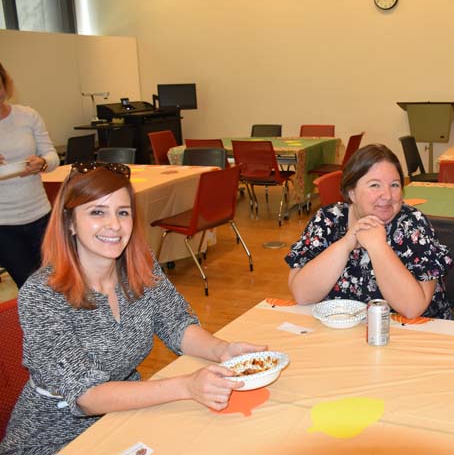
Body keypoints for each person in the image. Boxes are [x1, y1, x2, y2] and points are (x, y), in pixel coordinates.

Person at [0, 163, 266, 454]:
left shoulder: (139, 264)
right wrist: (186, 387)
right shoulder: (43, 294)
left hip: (127, 414)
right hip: (57, 437)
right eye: (97, 212)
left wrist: (222, 351)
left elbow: (175, 324)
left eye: (123, 212)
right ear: (70, 222)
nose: (114, 224)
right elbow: (86, 395)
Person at [285, 144, 453, 319]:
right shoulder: (328, 220)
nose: (387, 195)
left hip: (414, 335)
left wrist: (377, 246)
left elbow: (412, 308)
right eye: (375, 185)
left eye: (394, 185)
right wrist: (346, 244)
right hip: (344, 334)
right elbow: (302, 295)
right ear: (352, 193)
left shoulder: (413, 224)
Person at [0, 62, 59, 289]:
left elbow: (52, 156)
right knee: (30, 289)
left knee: (58, 282)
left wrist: (42, 163)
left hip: (40, 216)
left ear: (6, 84)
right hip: (4, 225)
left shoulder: (28, 116)